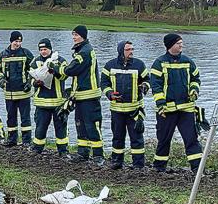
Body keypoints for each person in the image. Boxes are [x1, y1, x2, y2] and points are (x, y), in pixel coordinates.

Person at [150, 33, 202, 172]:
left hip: (186, 109)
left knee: (191, 139)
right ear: (170, 45)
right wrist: (161, 104)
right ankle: (159, 168)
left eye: (181, 43)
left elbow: (196, 79)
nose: (181, 45)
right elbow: (155, 86)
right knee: (164, 140)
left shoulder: (188, 61)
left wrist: (194, 90)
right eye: (178, 43)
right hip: (167, 110)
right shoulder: (159, 63)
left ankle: (197, 168)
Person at [55, 25, 103, 163]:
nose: (74, 37)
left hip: (89, 96)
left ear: (83, 36)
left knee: (92, 126)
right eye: (73, 35)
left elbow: (71, 70)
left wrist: (57, 68)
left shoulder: (85, 52)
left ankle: (98, 155)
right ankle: (83, 153)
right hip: (81, 95)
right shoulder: (82, 50)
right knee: (80, 125)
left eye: (76, 35)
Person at [101, 40, 149, 170]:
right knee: (117, 137)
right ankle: (117, 162)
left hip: (135, 110)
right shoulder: (109, 65)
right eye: (128, 50)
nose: (131, 52)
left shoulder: (139, 64)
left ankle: (138, 165)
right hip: (117, 110)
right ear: (121, 51)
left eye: (132, 49)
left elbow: (147, 79)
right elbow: (104, 83)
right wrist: (110, 93)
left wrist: (144, 86)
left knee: (137, 138)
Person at [30, 39, 69, 154]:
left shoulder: (60, 61)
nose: (43, 52)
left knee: (61, 128)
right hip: (42, 102)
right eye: (41, 50)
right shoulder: (36, 61)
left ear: (50, 49)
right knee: (40, 128)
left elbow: (65, 76)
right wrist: (35, 83)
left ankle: (63, 151)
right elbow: (30, 78)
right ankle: (37, 149)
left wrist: (55, 71)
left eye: (45, 49)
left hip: (58, 102)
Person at [0, 30, 35, 146]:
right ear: (11, 41)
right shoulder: (3, 55)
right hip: (9, 93)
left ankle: (26, 141)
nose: (18, 44)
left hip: (23, 92)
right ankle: (12, 140)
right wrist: (1, 79)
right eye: (16, 41)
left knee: (25, 118)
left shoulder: (26, 53)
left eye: (20, 41)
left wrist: (29, 82)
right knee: (11, 117)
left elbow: (34, 70)